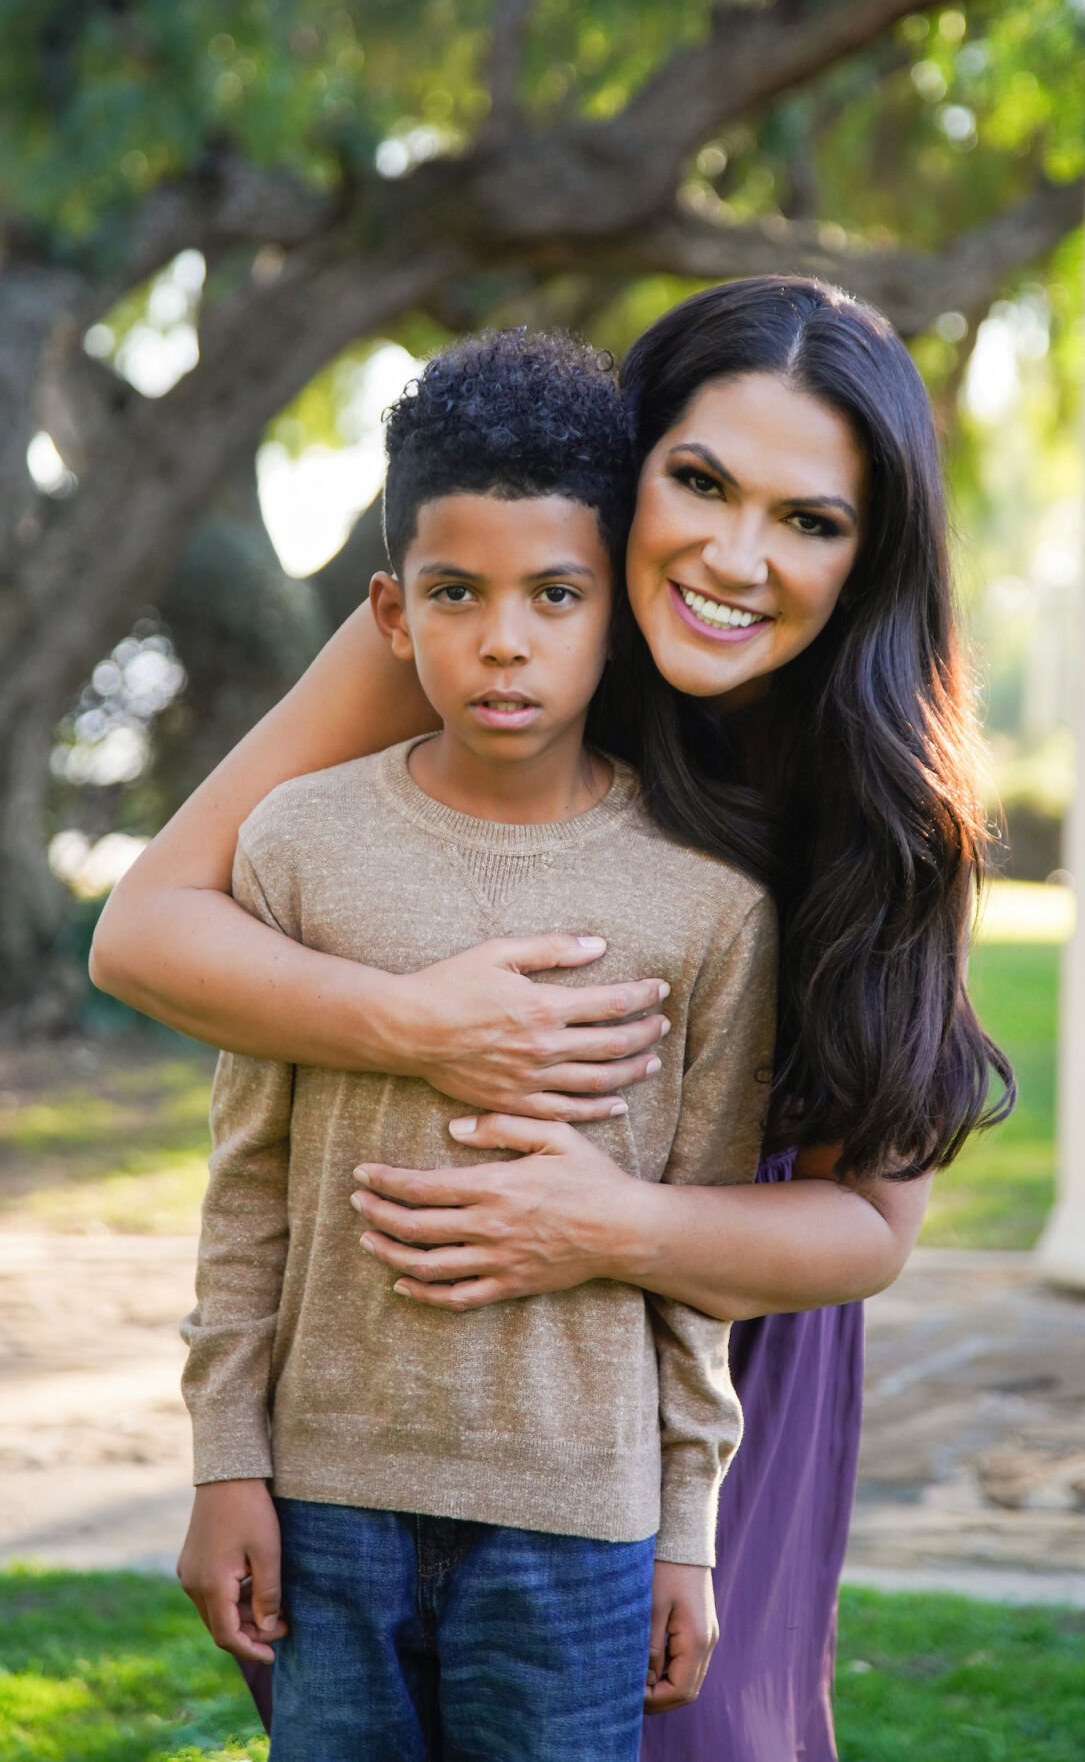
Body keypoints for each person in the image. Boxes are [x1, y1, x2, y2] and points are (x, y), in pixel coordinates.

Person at [92, 277, 1013, 1761]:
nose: (734, 556)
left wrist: (603, 1229)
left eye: (809, 520)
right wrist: (418, 1027)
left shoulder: (889, 804)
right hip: (409, 1374)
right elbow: (149, 928)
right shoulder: (482, 625)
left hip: (714, 1353)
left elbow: (874, 1230)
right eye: (700, 482)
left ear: (870, 556)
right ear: (626, 466)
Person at [176, 327, 780, 1762]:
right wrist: (225, 1466)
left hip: (582, 1515)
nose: (503, 638)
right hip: (328, 1498)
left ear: (617, 614)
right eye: (457, 593)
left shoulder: (708, 900)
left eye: (555, 594)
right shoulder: (297, 846)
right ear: (391, 612)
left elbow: (698, 1250)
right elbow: (245, 1186)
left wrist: (686, 1526)